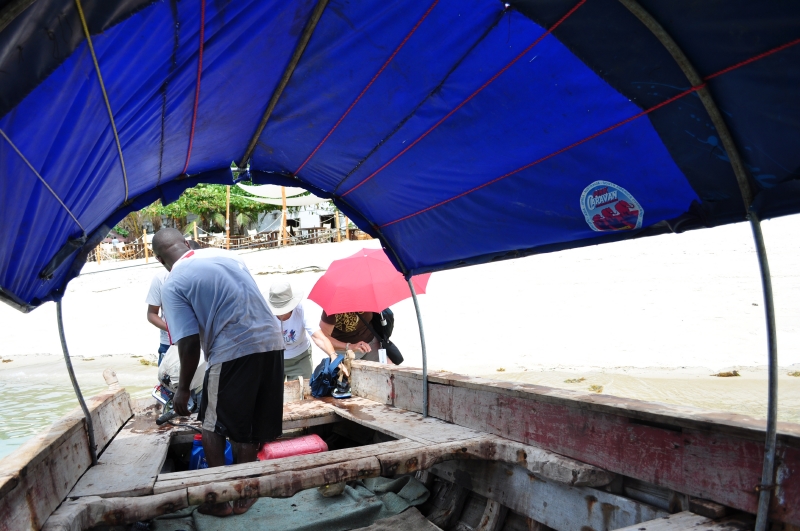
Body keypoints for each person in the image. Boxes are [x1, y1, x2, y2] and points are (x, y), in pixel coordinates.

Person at [152, 228, 283, 517]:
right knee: (248, 426)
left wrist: (183, 389)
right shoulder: (226, 255)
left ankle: (220, 500)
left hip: (232, 350)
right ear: (187, 242)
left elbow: (188, 343)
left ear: (160, 259)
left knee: (212, 425)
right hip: (273, 342)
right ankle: (245, 496)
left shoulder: (173, 283)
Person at [266, 281, 342, 380]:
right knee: (271, 389)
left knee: (302, 388)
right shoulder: (264, 312)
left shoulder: (302, 311)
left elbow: (318, 338)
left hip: (300, 358)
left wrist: (333, 355)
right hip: (274, 358)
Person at [145, 240, 202, 364]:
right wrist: (174, 329)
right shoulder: (161, 278)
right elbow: (151, 314)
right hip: (171, 344)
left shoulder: (204, 276)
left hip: (203, 342)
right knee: (170, 375)